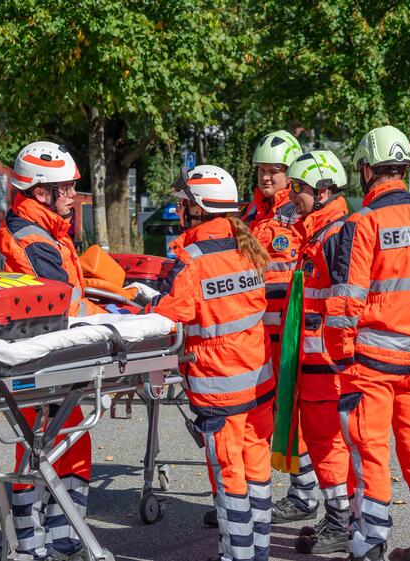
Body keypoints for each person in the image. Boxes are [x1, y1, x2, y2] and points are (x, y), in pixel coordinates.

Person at [322, 125, 410, 561]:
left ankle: (369, 544)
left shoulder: (365, 223)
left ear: (366, 170)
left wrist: (341, 355)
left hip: (369, 365)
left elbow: (346, 304)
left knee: (370, 454)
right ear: (404, 169)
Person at [145, 164, 275, 561]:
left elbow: (171, 313)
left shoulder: (194, 258)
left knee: (229, 474)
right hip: (258, 380)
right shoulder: (248, 246)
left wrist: (144, 301)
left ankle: (236, 555)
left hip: (220, 386)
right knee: (257, 472)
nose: (181, 210)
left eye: (184, 203)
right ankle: (258, 552)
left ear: (198, 209)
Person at [0, 141, 102, 561]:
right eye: (67, 187)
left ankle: (63, 538)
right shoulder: (33, 238)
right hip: (41, 360)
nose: (74, 194)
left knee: (68, 442)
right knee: (39, 449)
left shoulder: (45, 229)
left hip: (56, 357)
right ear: (42, 193)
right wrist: (113, 315)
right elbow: (63, 303)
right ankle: (32, 544)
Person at [240, 130, 322, 525]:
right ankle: (243, 497)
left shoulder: (298, 214)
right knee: (265, 413)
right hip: (255, 332)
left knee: (293, 410)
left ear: (291, 174)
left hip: (288, 332)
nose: (266, 177)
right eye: (261, 170)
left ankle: (304, 492)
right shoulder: (251, 214)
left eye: (274, 170)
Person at [280, 151, 352, 555]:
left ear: (323, 191)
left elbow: (345, 301)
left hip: (327, 362)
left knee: (327, 443)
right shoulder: (320, 231)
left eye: (300, 188)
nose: (293, 195)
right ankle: (340, 514)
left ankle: (342, 521)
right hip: (317, 359)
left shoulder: (336, 233)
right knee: (325, 442)